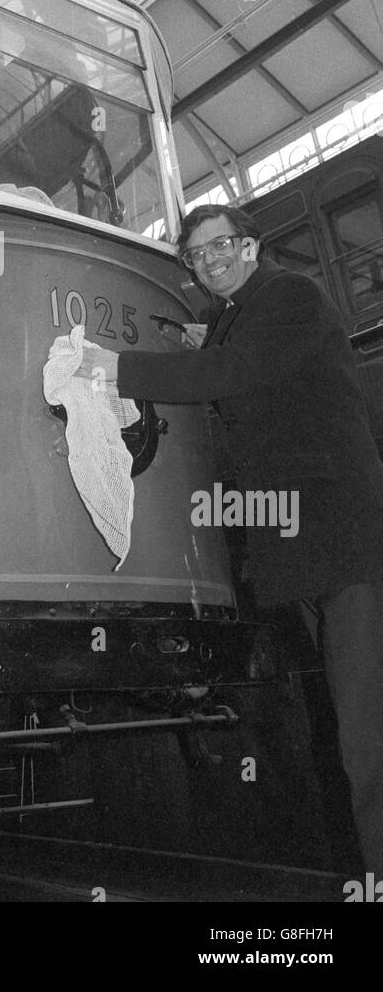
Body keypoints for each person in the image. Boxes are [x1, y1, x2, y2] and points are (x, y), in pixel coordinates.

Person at [76, 202, 383, 873]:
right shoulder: (240, 316)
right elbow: (233, 362)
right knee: (349, 724)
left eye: (224, 246)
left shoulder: (290, 295)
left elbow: (235, 373)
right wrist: (207, 341)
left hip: (346, 541)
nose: (212, 260)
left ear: (253, 245)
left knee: (367, 732)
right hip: (310, 550)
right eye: (198, 254)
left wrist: (114, 366)